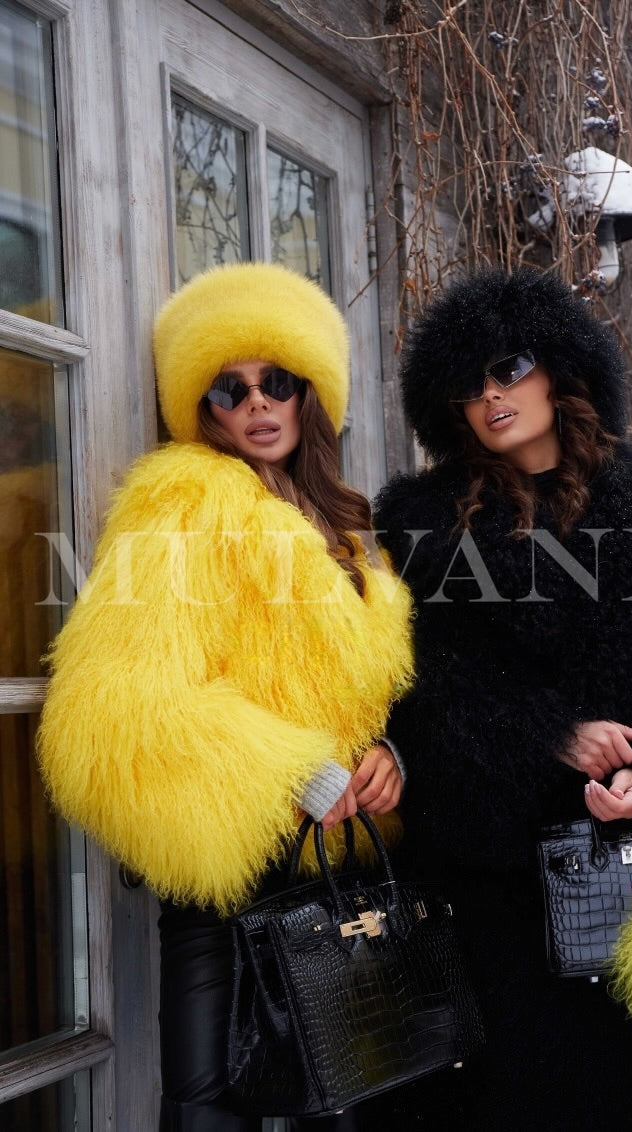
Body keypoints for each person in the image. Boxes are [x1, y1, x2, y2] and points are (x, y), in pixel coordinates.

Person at [362, 267, 632, 1131]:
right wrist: (547, 733)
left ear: (558, 369)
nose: (490, 396)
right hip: (494, 904)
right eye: (467, 385)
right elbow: (410, 698)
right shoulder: (420, 531)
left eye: (507, 368)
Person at [36, 262, 414, 1131]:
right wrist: (294, 771)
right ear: (201, 408)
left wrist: (390, 756)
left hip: (342, 880)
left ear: (308, 392)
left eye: (276, 380)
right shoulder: (181, 508)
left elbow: (380, 695)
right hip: (231, 898)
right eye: (227, 388)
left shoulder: (350, 534)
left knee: (348, 1106)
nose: (256, 402)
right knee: (216, 1118)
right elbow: (112, 709)